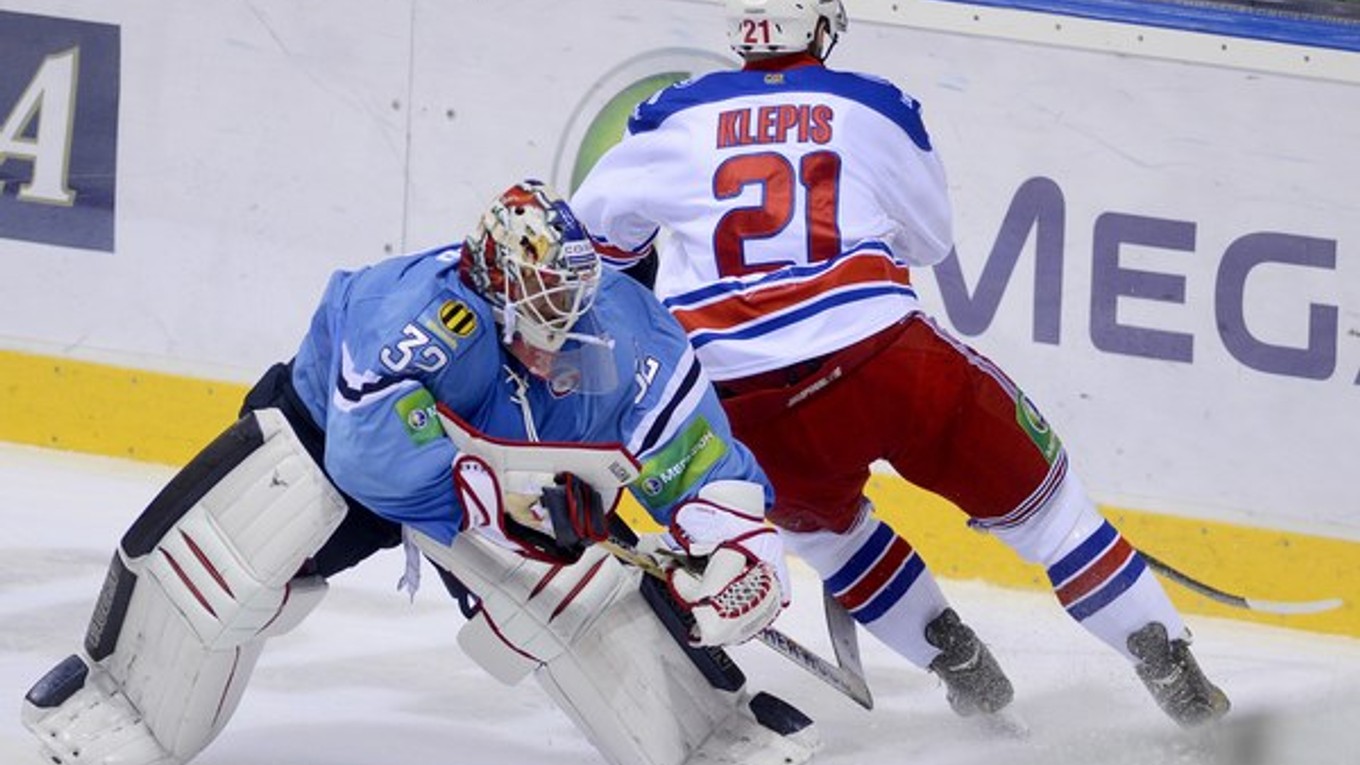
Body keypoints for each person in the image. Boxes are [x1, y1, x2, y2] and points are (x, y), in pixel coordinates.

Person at [570, 0, 1230, 728]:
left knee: (829, 533)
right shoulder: (874, 103)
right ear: (818, 25)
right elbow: (931, 242)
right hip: (885, 362)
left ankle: (960, 666)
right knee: (1052, 517)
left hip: (743, 399)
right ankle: (1178, 676)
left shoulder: (666, 116)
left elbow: (597, 246)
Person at [20, 180, 819, 765]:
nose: (561, 331)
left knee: (580, 594)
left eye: (573, 303)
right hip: (335, 449)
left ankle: (706, 734)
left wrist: (735, 540)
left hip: (517, 485)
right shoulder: (416, 310)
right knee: (241, 542)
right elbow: (368, 456)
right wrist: (509, 507)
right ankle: (124, 696)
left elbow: (693, 450)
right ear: (492, 284)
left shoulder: (624, 328)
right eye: (543, 310)